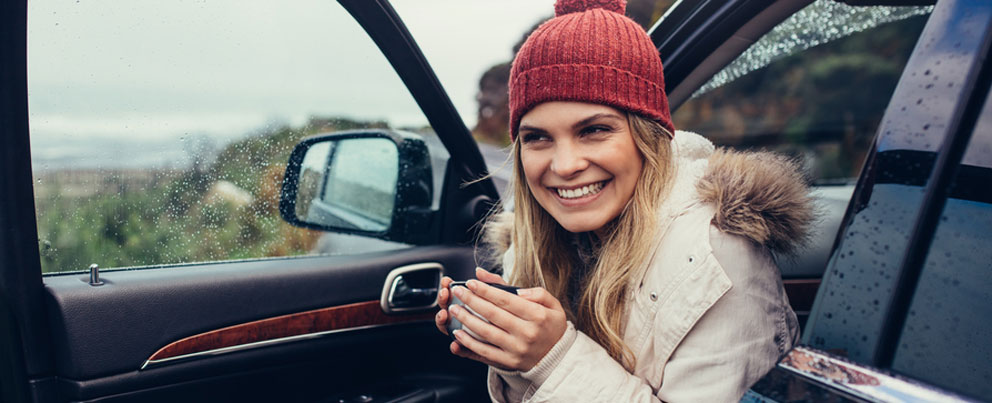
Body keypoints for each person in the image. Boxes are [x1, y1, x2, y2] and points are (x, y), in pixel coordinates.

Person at [434, 0, 814, 401]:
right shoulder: (533, 245)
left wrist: (553, 359)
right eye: (537, 137)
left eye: (594, 130)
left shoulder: (715, 257)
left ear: (646, 138)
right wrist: (510, 347)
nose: (564, 165)